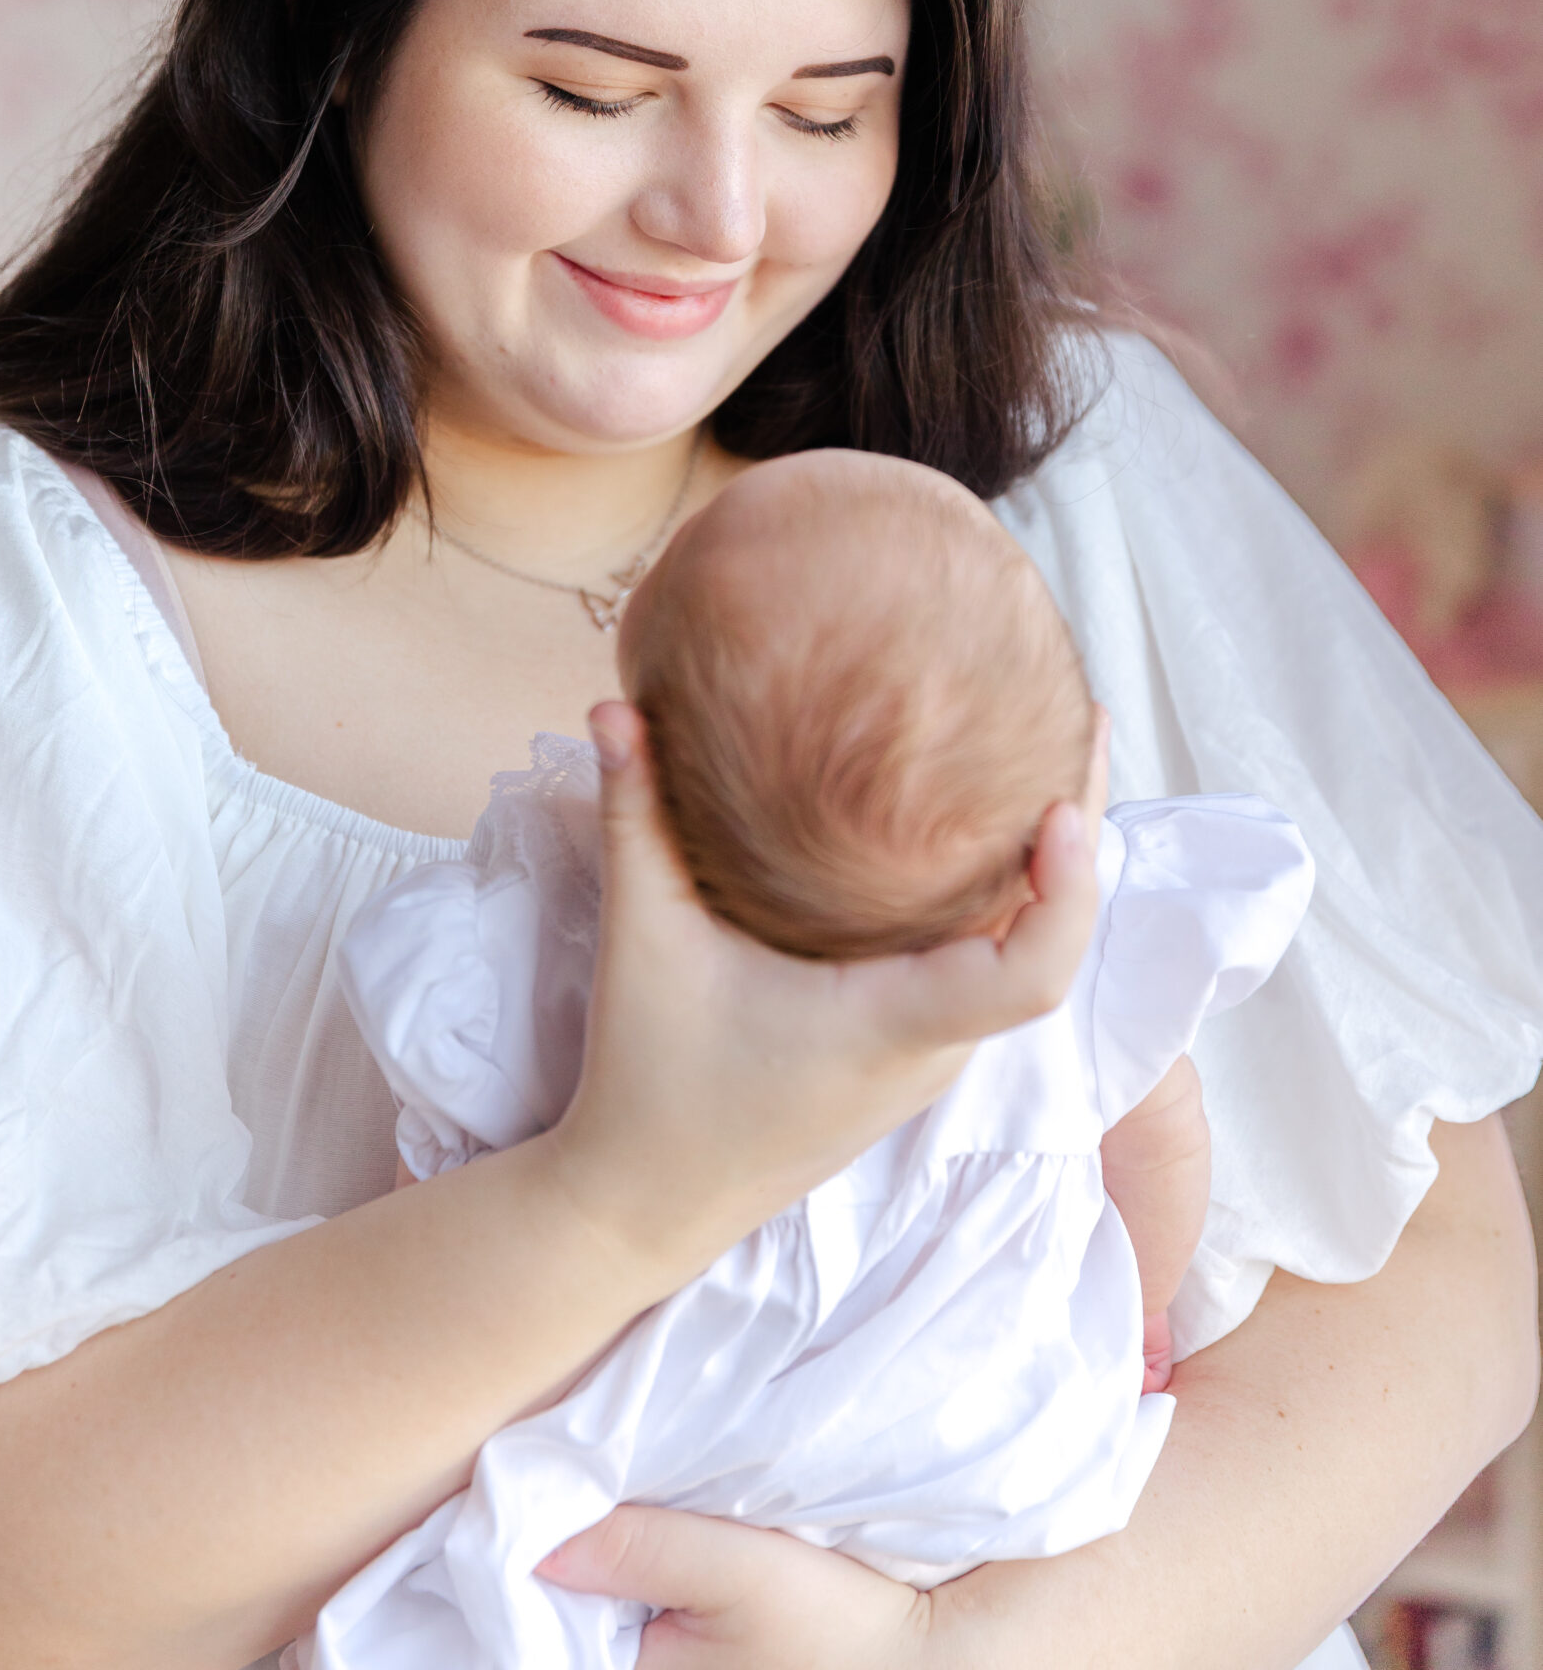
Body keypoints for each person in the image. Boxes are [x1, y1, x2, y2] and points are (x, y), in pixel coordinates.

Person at [0, 0, 1536, 1670]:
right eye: (595, 82)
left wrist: (945, 1657)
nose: (714, 218)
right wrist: (620, 1187)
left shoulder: (1058, 477)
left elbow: (1434, 1286)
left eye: (830, 109)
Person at [313, 450, 1313, 1668]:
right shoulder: (1078, 960)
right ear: (1078, 772)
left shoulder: (562, 946)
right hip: (982, 1458)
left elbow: (444, 1210)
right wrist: (1133, 1311)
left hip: (666, 1449)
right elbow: (1162, 1141)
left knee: (494, 1582)